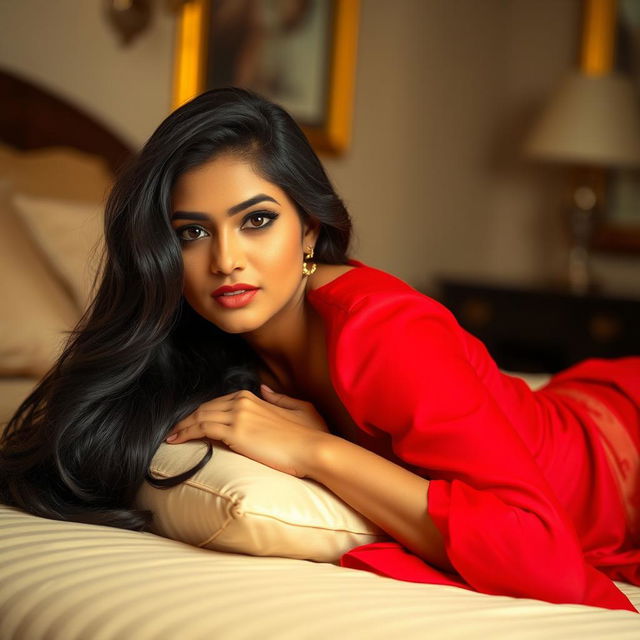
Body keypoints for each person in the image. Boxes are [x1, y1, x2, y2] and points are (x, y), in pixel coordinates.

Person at [0, 87, 638, 613]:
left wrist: (317, 450)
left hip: (618, 455)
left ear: (308, 226)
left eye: (257, 220)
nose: (226, 261)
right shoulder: (206, 340)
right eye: (192, 232)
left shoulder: (384, 332)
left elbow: (538, 549)